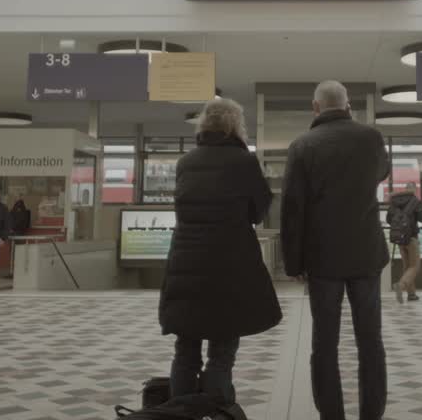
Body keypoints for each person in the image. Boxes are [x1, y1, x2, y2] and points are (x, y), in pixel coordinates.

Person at [159, 98, 281, 404]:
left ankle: (179, 413)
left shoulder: (186, 162)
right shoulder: (243, 161)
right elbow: (258, 210)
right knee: (221, 354)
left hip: (185, 262)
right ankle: (217, 412)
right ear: (234, 125)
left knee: (185, 352)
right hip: (229, 265)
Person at [282, 81, 391, 420]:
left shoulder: (302, 145)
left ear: (315, 108)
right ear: (348, 105)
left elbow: (292, 208)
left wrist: (293, 261)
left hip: (322, 257)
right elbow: (382, 172)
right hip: (366, 254)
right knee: (370, 340)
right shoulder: (371, 138)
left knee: (324, 343)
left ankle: (331, 415)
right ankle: (371, 414)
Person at [386, 182, 422, 304]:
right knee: (415, 266)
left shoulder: (394, 201)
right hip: (412, 237)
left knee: (407, 266)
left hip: (399, 238)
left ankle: (411, 294)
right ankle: (401, 286)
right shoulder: (415, 201)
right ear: (414, 190)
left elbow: (388, 219)